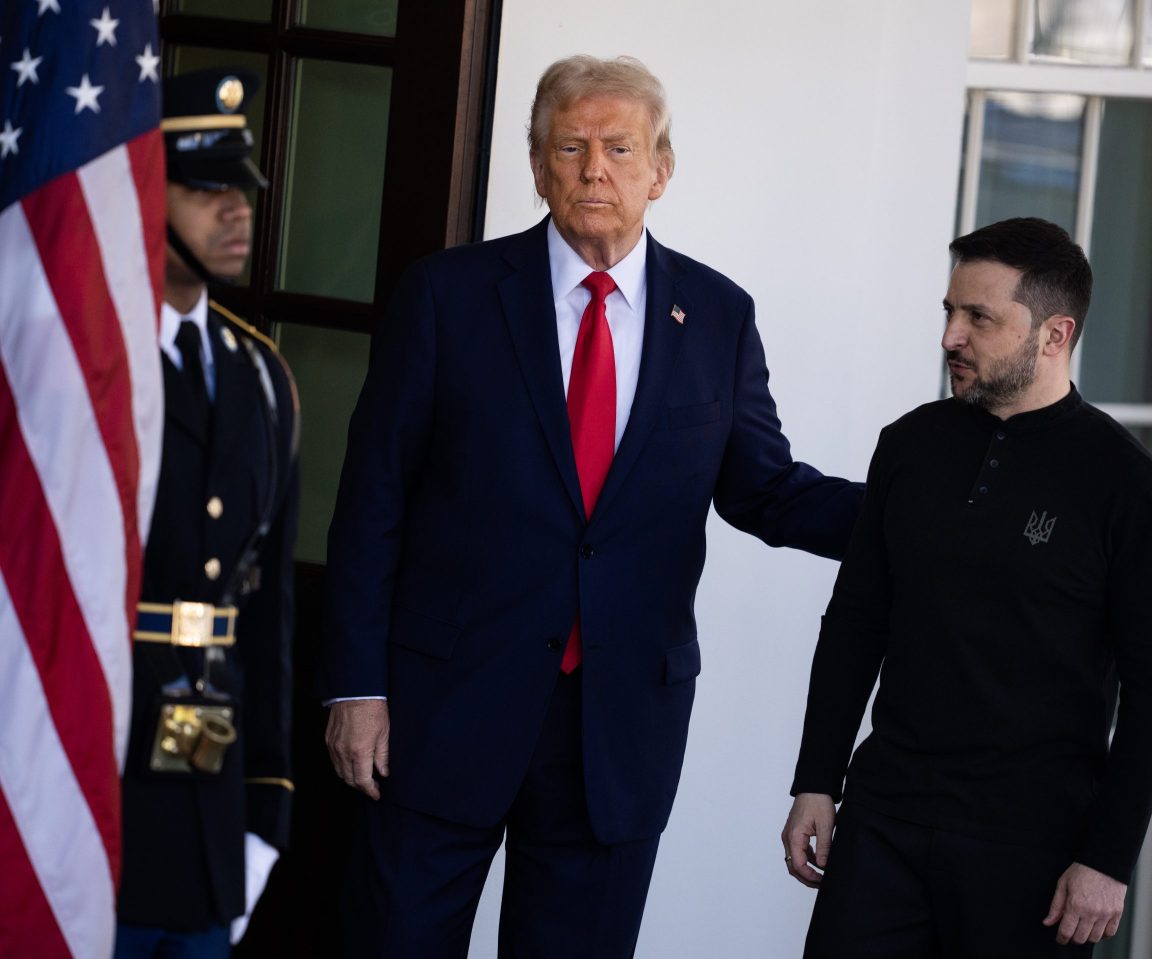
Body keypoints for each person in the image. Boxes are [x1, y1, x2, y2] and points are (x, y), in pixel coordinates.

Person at [319, 54, 862, 958]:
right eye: (569, 146)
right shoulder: (448, 297)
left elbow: (764, 488)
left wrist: (914, 517)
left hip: (615, 732)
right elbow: (372, 500)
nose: (593, 168)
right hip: (438, 714)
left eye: (619, 147)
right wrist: (356, 685)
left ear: (662, 168)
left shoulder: (718, 315)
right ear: (536, 167)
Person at [781, 217, 1152, 957]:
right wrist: (817, 777)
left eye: (980, 317)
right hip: (885, 820)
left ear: (1054, 333)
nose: (951, 336)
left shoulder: (1131, 488)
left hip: (1033, 849)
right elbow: (855, 621)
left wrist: (1107, 857)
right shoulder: (908, 446)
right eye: (949, 311)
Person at [116, 68, 300, 958]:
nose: (237, 210)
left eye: (243, 189)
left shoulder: (262, 377)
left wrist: (267, 804)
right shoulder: (83, 361)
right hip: (84, 788)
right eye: (204, 189)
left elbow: (265, 617)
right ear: (146, 193)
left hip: (208, 798)